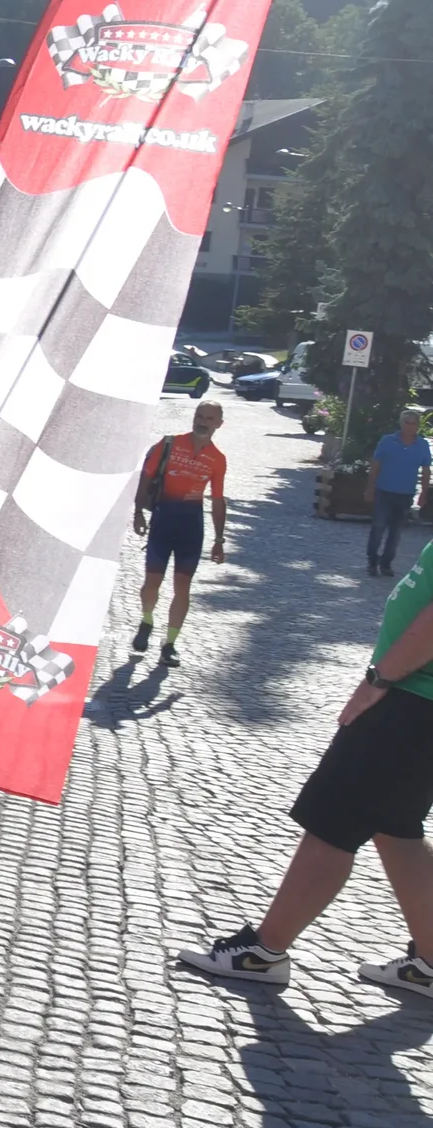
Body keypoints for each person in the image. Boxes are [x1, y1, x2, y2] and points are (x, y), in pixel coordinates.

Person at [176, 535, 433, 1000]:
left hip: (412, 703)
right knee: (396, 829)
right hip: (419, 706)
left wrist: (379, 679)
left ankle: (264, 953)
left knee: (332, 820)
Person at [130, 399, 228, 669]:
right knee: (152, 582)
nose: (203, 422)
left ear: (219, 424)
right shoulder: (170, 444)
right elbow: (146, 478)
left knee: (182, 587)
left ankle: (169, 645)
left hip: (191, 525)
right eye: (200, 415)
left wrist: (219, 540)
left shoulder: (218, 459)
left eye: (210, 419)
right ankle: (147, 621)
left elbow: (218, 500)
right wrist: (139, 512)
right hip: (163, 520)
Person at [366, 407, 432, 577]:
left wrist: (424, 493)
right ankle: (372, 561)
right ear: (401, 423)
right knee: (378, 528)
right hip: (384, 491)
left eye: (413, 423)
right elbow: (375, 466)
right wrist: (369, 488)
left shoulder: (422, 445)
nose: (410, 426)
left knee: (395, 533)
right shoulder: (387, 441)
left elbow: (426, 471)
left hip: (405, 494)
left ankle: (386, 563)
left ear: (418, 426)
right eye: (407, 422)